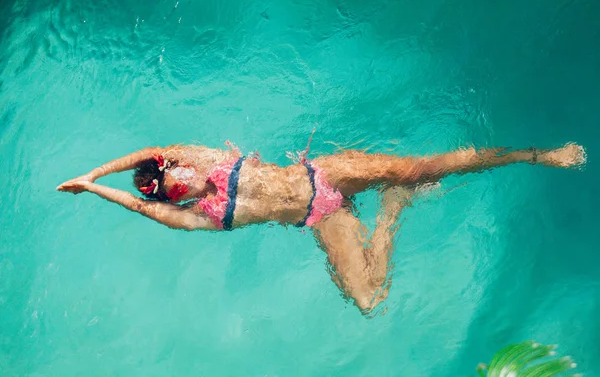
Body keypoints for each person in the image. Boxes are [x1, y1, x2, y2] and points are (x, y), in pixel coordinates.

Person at [57, 141, 586, 313]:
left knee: (426, 167)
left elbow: (150, 148)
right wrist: (98, 191)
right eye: (170, 189)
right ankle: (393, 209)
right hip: (322, 214)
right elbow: (144, 209)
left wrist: (94, 171)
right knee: (368, 298)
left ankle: (534, 155)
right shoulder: (200, 215)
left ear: (174, 164)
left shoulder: (203, 157)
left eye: (170, 174)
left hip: (327, 173)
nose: (178, 182)